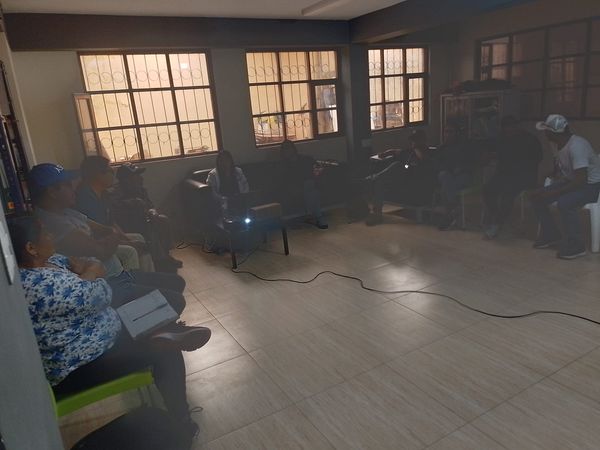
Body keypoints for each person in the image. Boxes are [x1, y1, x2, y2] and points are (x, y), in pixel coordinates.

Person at [7, 215, 211, 439]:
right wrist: (90, 272)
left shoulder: (50, 261)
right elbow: (103, 292)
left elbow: (91, 264)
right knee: (166, 352)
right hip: (80, 361)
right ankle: (182, 423)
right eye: (45, 233)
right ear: (31, 248)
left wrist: (88, 273)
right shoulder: (38, 286)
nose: (51, 235)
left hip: (99, 327)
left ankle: (164, 331)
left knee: (159, 308)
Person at [28, 163, 187, 313]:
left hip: (120, 275)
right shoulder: (53, 223)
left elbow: (105, 229)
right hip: (111, 283)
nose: (74, 189)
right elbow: (102, 250)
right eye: (68, 185)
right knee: (175, 300)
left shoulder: (67, 212)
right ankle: (149, 326)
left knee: (177, 282)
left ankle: (160, 321)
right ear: (52, 192)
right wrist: (112, 237)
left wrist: (110, 235)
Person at [531, 114, 600, 259]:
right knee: (536, 197)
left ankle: (577, 246)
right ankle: (551, 235)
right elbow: (561, 169)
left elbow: (581, 179)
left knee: (565, 203)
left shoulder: (577, 146)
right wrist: (546, 179)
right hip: (571, 181)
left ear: (554, 132)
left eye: (546, 130)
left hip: (590, 185)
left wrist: (553, 193)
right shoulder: (557, 143)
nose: (544, 133)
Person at [75, 155, 154, 272]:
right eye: (110, 171)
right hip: (94, 243)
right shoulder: (85, 197)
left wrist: (128, 240)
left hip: (108, 237)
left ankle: (149, 278)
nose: (113, 175)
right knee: (130, 251)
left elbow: (112, 223)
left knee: (138, 238)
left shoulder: (104, 194)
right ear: (98, 174)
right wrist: (128, 244)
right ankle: (133, 280)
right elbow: (97, 234)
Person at [111, 162, 182, 271]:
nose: (140, 178)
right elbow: (113, 208)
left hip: (143, 219)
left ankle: (166, 255)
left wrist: (153, 212)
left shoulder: (141, 189)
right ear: (126, 179)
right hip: (125, 224)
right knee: (149, 227)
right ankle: (160, 260)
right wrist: (131, 202)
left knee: (162, 220)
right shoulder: (116, 191)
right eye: (136, 175)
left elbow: (150, 206)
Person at [482, 116, 543, 239]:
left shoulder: (530, 139)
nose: (509, 129)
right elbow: (496, 154)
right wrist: (489, 155)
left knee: (507, 193)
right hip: (504, 175)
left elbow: (537, 159)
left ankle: (497, 224)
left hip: (524, 176)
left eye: (512, 126)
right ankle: (498, 216)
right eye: (506, 127)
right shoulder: (502, 138)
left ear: (518, 126)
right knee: (487, 190)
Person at [365, 129, 437, 226]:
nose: (413, 143)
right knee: (380, 182)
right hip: (401, 179)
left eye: (416, 140)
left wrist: (416, 149)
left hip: (415, 181)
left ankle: (372, 178)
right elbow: (395, 152)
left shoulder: (427, 153)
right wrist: (386, 153)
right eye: (413, 140)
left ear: (423, 140)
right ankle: (377, 214)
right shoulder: (409, 151)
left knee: (397, 166)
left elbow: (423, 160)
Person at [434, 123, 478, 230]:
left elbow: (472, 163)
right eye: (446, 132)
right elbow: (437, 165)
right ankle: (453, 210)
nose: (448, 134)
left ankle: (449, 214)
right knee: (444, 177)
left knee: (446, 187)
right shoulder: (441, 148)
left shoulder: (464, 147)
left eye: (451, 132)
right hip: (447, 175)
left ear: (456, 133)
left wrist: (461, 168)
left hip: (462, 176)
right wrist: (448, 169)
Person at [278, 140, 328, 229]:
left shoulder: (306, 159)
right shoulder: (284, 165)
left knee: (311, 187)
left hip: (310, 182)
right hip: (298, 186)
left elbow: (318, 168)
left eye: (289, 149)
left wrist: (316, 176)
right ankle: (319, 217)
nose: (288, 152)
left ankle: (311, 214)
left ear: (293, 149)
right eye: (285, 150)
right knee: (312, 191)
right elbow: (284, 180)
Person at [206, 150, 249, 217]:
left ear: (231, 161)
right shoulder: (213, 175)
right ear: (218, 162)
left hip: (238, 199)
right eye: (222, 160)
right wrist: (223, 199)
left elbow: (245, 185)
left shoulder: (238, 171)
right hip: (223, 201)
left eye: (226, 160)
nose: (224, 162)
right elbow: (212, 192)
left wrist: (243, 195)